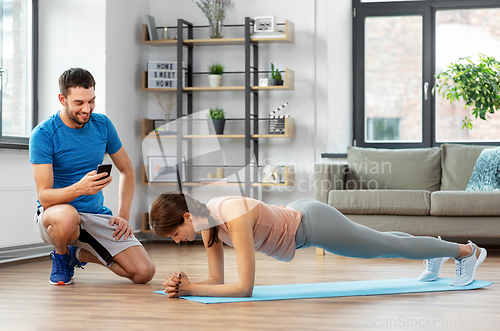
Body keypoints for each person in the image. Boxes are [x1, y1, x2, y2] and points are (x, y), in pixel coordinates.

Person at [150, 193, 487, 298]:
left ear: (186, 216)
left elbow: (244, 288)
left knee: (384, 246)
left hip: (314, 224)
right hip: (304, 221)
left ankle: (467, 252)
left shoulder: (231, 215)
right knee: (383, 243)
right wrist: (184, 285)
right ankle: (436, 250)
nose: (178, 242)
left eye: (174, 234)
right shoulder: (208, 226)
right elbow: (215, 281)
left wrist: (193, 288)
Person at [30, 68, 155, 285]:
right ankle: (61, 256)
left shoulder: (103, 125)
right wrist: (80, 188)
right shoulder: (43, 134)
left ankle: (76, 255)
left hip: (95, 215)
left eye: (92, 101)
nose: (87, 109)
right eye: (79, 103)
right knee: (67, 217)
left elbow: (127, 169)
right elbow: (45, 197)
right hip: (56, 216)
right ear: (62, 99)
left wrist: (123, 215)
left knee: (144, 273)